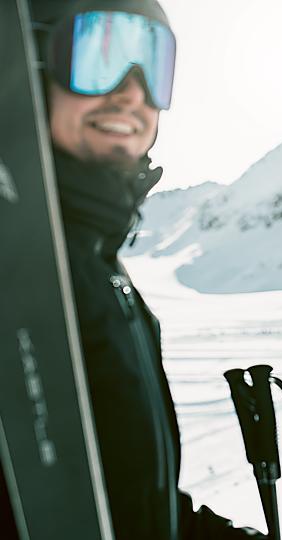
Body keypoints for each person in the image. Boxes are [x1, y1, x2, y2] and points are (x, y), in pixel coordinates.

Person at [0, 1, 266, 539]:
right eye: (100, 52)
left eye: (154, 64)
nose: (131, 92)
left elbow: (131, 500)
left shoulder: (107, 273)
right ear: (28, 57)